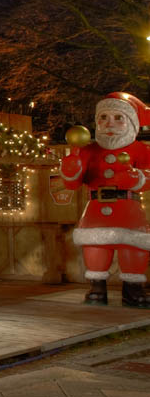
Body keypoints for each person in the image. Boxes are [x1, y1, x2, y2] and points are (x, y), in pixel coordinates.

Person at [60, 92, 150, 308]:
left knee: (134, 247)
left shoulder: (140, 149)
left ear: (131, 122)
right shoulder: (88, 150)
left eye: (118, 117)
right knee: (95, 246)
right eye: (103, 117)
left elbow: (148, 175)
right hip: (96, 209)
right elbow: (72, 183)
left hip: (128, 209)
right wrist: (71, 166)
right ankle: (97, 288)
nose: (109, 123)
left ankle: (133, 290)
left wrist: (136, 178)